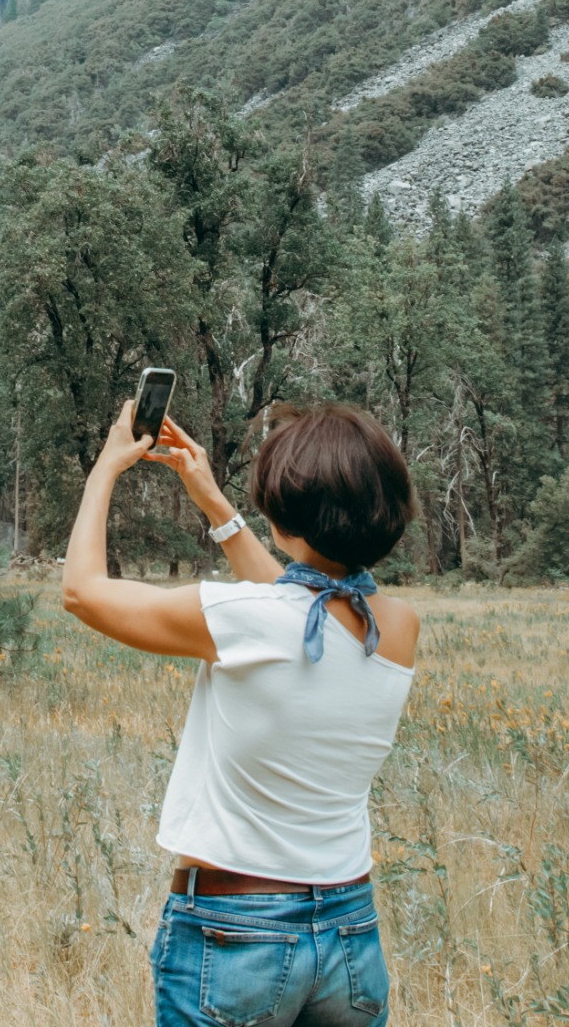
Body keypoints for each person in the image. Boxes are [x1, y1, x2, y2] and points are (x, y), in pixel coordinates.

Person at [63, 397, 421, 1027]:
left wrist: (105, 469)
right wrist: (214, 503)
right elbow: (291, 598)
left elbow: (83, 593)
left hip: (236, 929)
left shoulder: (245, 620)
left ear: (285, 510)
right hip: (349, 929)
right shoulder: (395, 628)